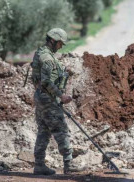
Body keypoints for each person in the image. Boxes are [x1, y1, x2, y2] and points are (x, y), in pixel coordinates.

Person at [31, 28, 84, 175]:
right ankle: (69, 164)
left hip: (41, 97)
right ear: (53, 41)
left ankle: (39, 165)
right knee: (61, 129)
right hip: (48, 99)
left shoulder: (41, 53)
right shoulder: (47, 58)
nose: (61, 46)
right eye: (60, 43)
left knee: (44, 131)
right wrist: (61, 96)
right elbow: (46, 81)